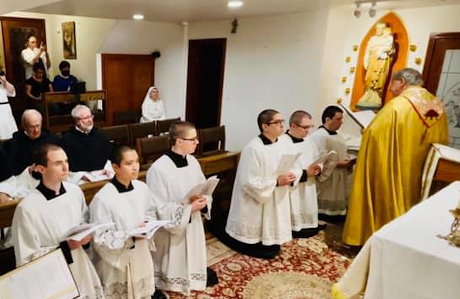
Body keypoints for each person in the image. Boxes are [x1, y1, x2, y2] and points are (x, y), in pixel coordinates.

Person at [343, 68, 449, 246]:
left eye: (392, 83)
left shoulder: (398, 105)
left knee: (388, 199)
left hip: (394, 167)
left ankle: (374, 237)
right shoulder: (435, 105)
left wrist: (366, 130)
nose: (391, 88)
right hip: (419, 169)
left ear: (401, 82)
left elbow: (374, 134)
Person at [11, 143, 104, 298]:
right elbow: (26, 258)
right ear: (41, 169)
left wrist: (86, 239)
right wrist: (65, 248)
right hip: (51, 278)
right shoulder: (27, 208)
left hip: (80, 266)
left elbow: (83, 221)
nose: (65, 167)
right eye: (57, 163)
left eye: (66, 161)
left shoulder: (75, 192)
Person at [146, 121, 217, 296]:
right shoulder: (159, 169)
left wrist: (203, 199)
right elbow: (159, 207)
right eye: (192, 139)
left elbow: (202, 187)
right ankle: (171, 280)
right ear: (178, 141)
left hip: (192, 222)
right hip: (173, 230)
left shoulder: (192, 161)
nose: (197, 142)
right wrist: (187, 209)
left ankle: (192, 274)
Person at [225, 109, 301, 259]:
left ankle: (271, 239)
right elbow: (249, 182)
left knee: (272, 237)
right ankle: (253, 241)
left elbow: (295, 164)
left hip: (277, 194)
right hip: (258, 198)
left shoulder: (283, 143)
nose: (281, 125)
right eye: (277, 122)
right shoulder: (253, 149)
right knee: (256, 237)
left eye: (282, 122)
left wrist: (294, 174)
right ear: (265, 127)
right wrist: (276, 182)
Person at [90, 145, 160, 299]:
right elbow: (100, 237)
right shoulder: (103, 198)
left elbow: (150, 212)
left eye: (136, 162)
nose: (135, 167)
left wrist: (148, 225)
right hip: (118, 260)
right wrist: (130, 237)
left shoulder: (142, 188)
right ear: (115, 167)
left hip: (141, 252)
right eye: (129, 163)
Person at [279, 110, 323, 238]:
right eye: (305, 127)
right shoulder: (281, 142)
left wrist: (319, 167)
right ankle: (294, 226)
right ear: (293, 126)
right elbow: (281, 170)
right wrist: (304, 173)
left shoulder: (308, 140)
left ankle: (308, 224)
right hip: (293, 187)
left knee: (308, 207)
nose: (308, 131)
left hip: (309, 185)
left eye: (310, 126)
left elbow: (317, 157)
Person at [310, 106, 354, 218]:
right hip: (327, 177)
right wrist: (340, 164)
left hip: (338, 174)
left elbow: (342, 151)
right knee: (323, 212)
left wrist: (348, 159)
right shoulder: (319, 136)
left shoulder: (338, 134)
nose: (341, 122)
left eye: (341, 119)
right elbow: (318, 160)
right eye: (338, 119)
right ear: (328, 119)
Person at [5, 109, 59, 176]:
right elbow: (11, 167)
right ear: (24, 126)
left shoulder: (52, 139)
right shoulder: (14, 144)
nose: (36, 130)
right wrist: (28, 169)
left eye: (38, 126)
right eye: (32, 127)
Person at [61, 105, 112, 174]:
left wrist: (105, 170)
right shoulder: (67, 140)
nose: (90, 120)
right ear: (77, 121)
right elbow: (68, 165)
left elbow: (109, 156)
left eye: (91, 116)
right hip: (80, 177)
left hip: (103, 174)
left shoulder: (100, 136)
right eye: (86, 118)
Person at [356, 23, 395, 110]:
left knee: (379, 80)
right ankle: (367, 95)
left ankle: (376, 98)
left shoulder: (388, 39)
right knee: (369, 78)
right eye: (377, 29)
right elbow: (367, 51)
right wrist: (366, 62)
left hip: (382, 62)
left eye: (380, 29)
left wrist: (384, 51)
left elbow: (391, 51)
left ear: (384, 30)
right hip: (372, 62)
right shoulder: (373, 39)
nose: (378, 31)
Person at [0, 71, 18, 139]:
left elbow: (12, 93)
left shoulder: (3, 84)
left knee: (9, 130)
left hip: (5, 108)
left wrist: (5, 82)